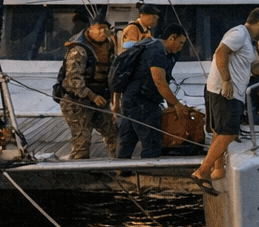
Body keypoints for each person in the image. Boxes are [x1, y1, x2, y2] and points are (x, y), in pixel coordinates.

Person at [191, 7, 259, 192]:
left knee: (221, 131)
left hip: (230, 93)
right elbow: (220, 53)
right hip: (225, 91)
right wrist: (226, 80)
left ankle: (216, 170)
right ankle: (202, 172)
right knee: (228, 133)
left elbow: (254, 66)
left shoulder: (248, 42)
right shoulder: (239, 33)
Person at [116, 23, 191, 161]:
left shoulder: (158, 49)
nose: (181, 47)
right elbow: (159, 82)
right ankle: (150, 171)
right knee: (151, 139)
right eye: (180, 43)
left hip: (130, 98)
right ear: (171, 38)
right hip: (142, 101)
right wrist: (176, 104)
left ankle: (122, 170)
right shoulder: (156, 52)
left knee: (127, 139)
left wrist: (170, 103)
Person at [59, 14, 118, 160]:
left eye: (106, 29)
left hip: (100, 98)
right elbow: (73, 79)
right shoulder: (79, 50)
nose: (103, 32)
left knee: (113, 133)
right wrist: (91, 96)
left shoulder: (109, 47)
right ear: (90, 30)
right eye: (99, 29)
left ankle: (119, 164)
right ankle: (80, 172)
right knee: (82, 139)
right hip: (77, 101)